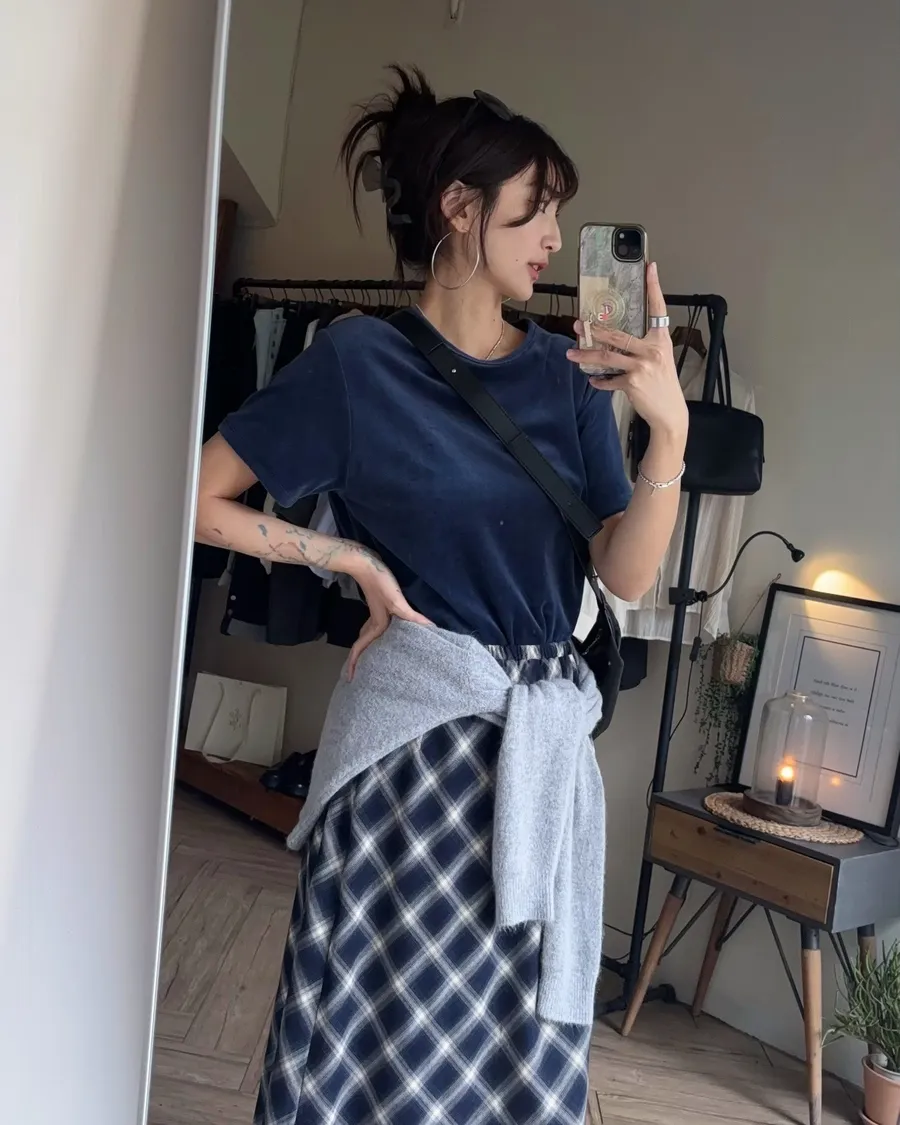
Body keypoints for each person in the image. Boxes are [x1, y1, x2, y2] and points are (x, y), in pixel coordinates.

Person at [195, 65, 687, 1125]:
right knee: (378, 1042)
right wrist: (348, 561)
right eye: (535, 207)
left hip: (536, 762)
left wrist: (670, 436)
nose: (554, 236)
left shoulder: (567, 376)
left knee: (506, 1060)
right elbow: (199, 499)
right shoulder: (357, 363)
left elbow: (625, 573)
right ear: (460, 208)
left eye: (558, 211)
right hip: (411, 760)